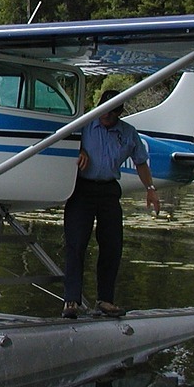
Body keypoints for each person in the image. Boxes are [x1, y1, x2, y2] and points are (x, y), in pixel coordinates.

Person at [62, 90, 160, 319]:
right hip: (81, 189)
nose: (107, 114)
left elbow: (141, 163)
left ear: (119, 112)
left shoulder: (128, 133)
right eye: (104, 110)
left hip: (108, 190)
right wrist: (79, 149)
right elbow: (63, 142)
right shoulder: (83, 125)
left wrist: (150, 189)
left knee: (112, 245)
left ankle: (105, 300)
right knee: (75, 244)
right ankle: (71, 300)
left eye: (113, 111)